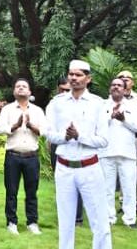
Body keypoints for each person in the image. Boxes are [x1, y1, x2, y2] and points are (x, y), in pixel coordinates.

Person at [45, 59, 111, 249]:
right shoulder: (57, 103)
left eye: (78, 75)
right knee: (65, 221)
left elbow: (103, 140)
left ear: (88, 79)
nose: (73, 78)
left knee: (99, 220)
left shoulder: (97, 104)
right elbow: (49, 133)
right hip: (64, 167)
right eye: (71, 74)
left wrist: (79, 136)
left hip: (89, 167)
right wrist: (65, 137)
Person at [0, 78, 46, 235]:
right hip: (13, 156)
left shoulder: (37, 110)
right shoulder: (8, 109)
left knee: (32, 191)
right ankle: (11, 222)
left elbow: (44, 131)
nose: (21, 88)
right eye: (18, 86)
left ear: (30, 91)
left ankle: (32, 222)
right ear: (14, 92)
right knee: (11, 191)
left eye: (24, 86)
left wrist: (30, 125)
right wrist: (16, 126)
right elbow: (0, 129)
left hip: (31, 156)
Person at [100, 77, 137, 229]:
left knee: (129, 188)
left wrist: (124, 119)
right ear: (110, 88)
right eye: (113, 85)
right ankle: (109, 218)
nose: (116, 87)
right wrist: (110, 116)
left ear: (125, 89)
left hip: (127, 153)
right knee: (106, 188)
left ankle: (130, 219)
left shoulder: (133, 106)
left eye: (119, 85)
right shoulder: (102, 105)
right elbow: (96, 126)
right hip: (106, 152)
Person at [49, 77, 84, 226]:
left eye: (67, 89)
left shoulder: (82, 102)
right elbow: (49, 126)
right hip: (59, 144)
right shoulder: (54, 103)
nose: (65, 92)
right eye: (62, 89)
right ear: (58, 89)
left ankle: (78, 217)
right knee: (62, 181)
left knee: (80, 180)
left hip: (79, 143)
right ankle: (64, 214)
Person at [117, 69, 137, 214]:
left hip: (135, 138)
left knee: (136, 170)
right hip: (119, 138)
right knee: (122, 169)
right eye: (120, 78)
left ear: (132, 82)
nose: (124, 80)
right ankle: (123, 202)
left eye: (127, 78)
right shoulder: (113, 98)